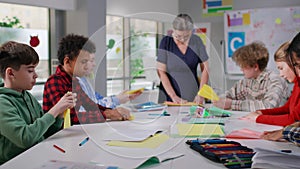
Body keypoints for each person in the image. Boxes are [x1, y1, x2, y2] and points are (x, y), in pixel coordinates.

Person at [0, 41, 76, 164]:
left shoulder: (28, 97)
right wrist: (55, 110)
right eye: (30, 71)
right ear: (11, 73)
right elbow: (25, 138)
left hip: (36, 158)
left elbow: (45, 133)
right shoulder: (2, 103)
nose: (35, 75)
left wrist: (59, 115)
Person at [43, 34, 130, 127]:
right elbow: (71, 117)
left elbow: (90, 106)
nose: (88, 66)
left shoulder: (74, 81)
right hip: (56, 137)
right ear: (67, 61)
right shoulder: (55, 81)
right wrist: (108, 114)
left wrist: (113, 111)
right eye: (83, 62)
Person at [213, 41, 289, 112]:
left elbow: (268, 106)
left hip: (277, 124)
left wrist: (232, 104)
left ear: (255, 66)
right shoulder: (247, 81)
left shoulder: (275, 80)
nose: (241, 69)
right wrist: (218, 99)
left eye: (243, 66)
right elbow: (230, 95)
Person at [243, 35, 300, 126]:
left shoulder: (274, 79)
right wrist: (262, 113)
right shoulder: (297, 84)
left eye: (281, 68)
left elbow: (293, 119)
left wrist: (259, 118)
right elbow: (287, 109)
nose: (280, 74)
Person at [156, 13, 209, 104]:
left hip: (192, 93)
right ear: (173, 30)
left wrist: (201, 94)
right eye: (179, 36)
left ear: (191, 31)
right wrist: (173, 96)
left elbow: (206, 69)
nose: (182, 39)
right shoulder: (166, 42)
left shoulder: (197, 41)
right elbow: (161, 71)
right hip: (169, 95)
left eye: (186, 36)